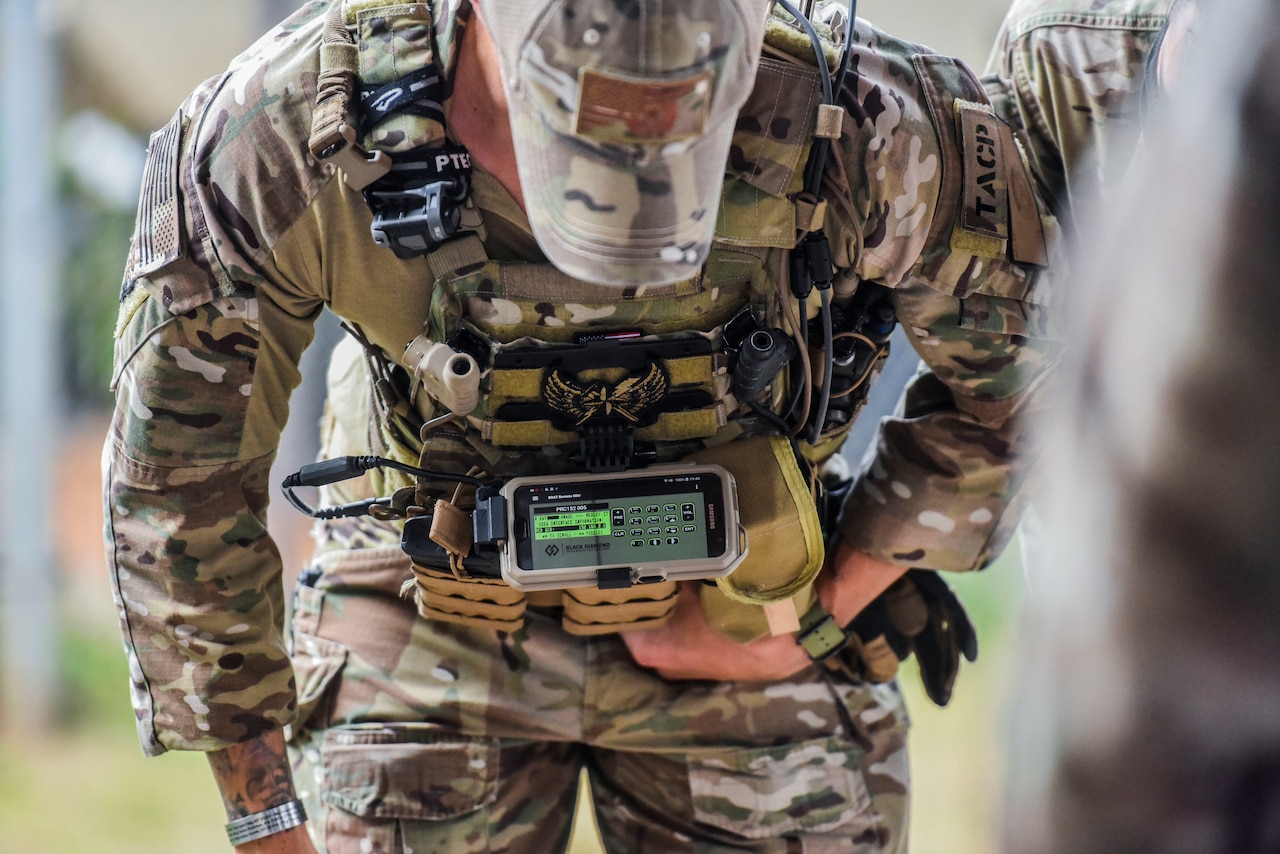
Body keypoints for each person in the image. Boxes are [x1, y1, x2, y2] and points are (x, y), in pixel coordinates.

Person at [103, 1, 1061, 851]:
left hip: (744, 597)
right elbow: (178, 481)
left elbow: (1032, 384)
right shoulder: (292, 130)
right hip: (425, 593)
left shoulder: (865, 118)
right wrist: (267, 818)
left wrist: (811, 613)